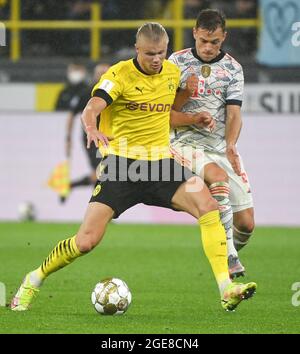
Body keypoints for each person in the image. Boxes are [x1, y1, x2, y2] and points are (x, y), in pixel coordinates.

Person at [11, 22, 256, 313]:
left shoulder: (171, 73)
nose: (156, 59)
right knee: (86, 241)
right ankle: (33, 279)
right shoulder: (118, 75)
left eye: (161, 53)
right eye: (150, 53)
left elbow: (168, 114)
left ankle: (226, 288)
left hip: (162, 166)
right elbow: (92, 106)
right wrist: (91, 126)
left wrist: (193, 117)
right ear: (137, 49)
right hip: (122, 168)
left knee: (209, 206)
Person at [168, 9, 255, 278]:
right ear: (194, 33)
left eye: (214, 42)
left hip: (218, 148)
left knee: (247, 223)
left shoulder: (232, 69)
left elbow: (234, 113)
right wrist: (188, 101)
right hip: (184, 144)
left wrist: (231, 146)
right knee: (218, 178)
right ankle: (228, 255)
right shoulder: (176, 62)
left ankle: (228, 255)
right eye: (203, 41)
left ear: (223, 37)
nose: (208, 47)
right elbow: (163, 114)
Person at [62, 63, 110, 202]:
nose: (102, 76)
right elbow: (72, 114)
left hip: (110, 138)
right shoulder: (87, 93)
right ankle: (100, 206)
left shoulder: (116, 92)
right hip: (92, 138)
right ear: (94, 75)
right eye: (100, 73)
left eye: (105, 73)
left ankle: (72, 186)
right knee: (103, 172)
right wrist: (68, 138)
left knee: (105, 173)